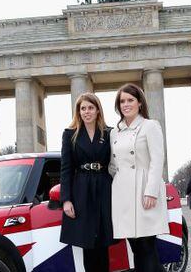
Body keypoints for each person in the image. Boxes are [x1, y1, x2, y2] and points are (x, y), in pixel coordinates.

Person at [109, 83, 168, 272]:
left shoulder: (150, 126)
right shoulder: (114, 132)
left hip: (144, 190)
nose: (126, 104)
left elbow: (157, 161)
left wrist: (151, 192)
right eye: (122, 101)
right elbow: (112, 164)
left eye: (130, 100)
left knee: (146, 246)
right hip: (123, 193)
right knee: (135, 247)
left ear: (140, 103)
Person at [60, 93, 113, 272]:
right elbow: (66, 169)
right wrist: (66, 200)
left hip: (105, 188)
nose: (86, 112)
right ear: (78, 111)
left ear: (98, 110)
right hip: (81, 190)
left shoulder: (109, 133)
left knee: (104, 242)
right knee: (87, 243)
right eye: (83, 108)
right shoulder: (69, 135)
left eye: (90, 108)